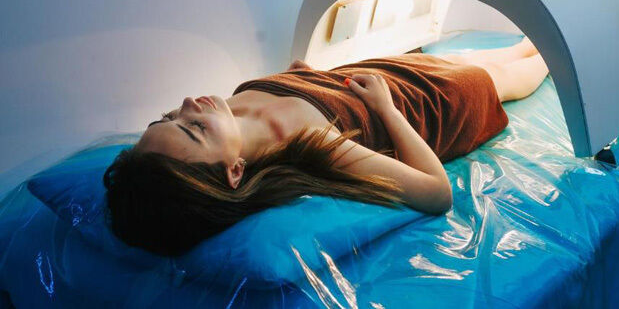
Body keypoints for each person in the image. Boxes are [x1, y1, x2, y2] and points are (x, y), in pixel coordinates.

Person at [103, 37, 549, 256]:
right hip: (432, 102)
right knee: (522, 70)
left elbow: (308, 96)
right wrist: (386, 110)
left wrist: (302, 79)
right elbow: (436, 192)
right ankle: (559, 51)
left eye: (168, 117)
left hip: (381, 71)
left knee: (502, 50)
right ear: (235, 171)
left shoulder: (229, 111)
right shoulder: (308, 140)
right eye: (194, 129)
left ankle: (536, 42)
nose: (187, 105)